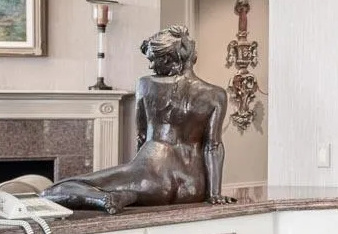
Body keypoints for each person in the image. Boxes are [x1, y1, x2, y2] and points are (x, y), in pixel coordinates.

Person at [44, 26, 233, 212]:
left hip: (151, 178)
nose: (151, 66)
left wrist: (134, 172)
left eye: (153, 60)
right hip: (194, 187)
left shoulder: (146, 84)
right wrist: (214, 194)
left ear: (167, 59)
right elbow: (213, 146)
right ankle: (126, 195)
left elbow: (141, 137)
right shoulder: (216, 94)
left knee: (54, 191)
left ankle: (110, 197)